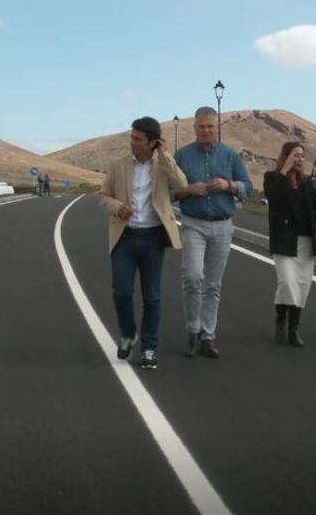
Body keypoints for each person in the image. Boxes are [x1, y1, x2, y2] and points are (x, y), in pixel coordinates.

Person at [100, 117, 188, 369]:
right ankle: (128, 334)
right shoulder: (118, 166)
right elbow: (103, 194)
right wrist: (117, 207)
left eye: (138, 139)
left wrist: (166, 155)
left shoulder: (163, 165)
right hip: (124, 238)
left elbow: (182, 184)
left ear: (152, 142)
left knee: (152, 296)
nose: (132, 142)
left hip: (152, 238)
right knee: (122, 290)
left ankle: (149, 347)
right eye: (132, 137)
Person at [173, 106, 253, 358]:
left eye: (210, 126)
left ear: (217, 127)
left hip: (222, 224)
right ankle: (192, 330)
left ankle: (208, 335)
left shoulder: (229, 155)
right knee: (193, 276)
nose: (206, 130)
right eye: (201, 126)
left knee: (213, 284)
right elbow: (167, 191)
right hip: (193, 223)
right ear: (194, 128)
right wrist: (187, 190)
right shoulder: (182, 156)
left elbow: (248, 187)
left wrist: (229, 185)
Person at [264, 141, 316, 347]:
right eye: (295, 155)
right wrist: (284, 170)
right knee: (287, 283)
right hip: (284, 241)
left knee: (302, 286)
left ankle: (293, 329)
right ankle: (281, 319)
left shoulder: (307, 182)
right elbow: (274, 196)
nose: (299, 159)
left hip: (305, 243)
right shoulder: (273, 178)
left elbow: (315, 209)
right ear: (286, 157)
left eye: (301, 156)